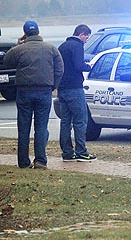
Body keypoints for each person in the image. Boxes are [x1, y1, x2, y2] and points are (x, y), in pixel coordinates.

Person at [2, 21, 64, 169]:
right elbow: (60, 69)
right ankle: (41, 160)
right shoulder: (51, 49)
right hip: (44, 91)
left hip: (24, 91)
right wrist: (53, 85)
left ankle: (23, 162)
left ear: (25, 34)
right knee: (41, 127)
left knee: (23, 128)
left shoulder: (20, 49)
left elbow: (7, 60)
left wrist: (17, 44)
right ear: (38, 31)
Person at [57, 24, 96, 162]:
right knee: (80, 121)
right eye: (86, 37)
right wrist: (88, 66)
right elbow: (78, 65)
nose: (86, 40)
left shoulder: (62, 46)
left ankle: (67, 152)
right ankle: (81, 151)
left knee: (65, 122)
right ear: (81, 34)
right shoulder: (77, 46)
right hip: (75, 88)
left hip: (62, 88)